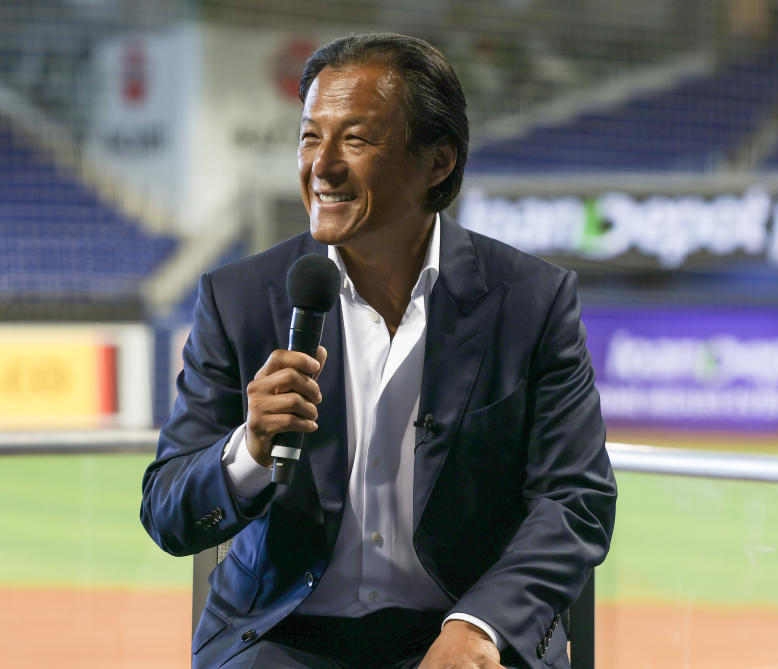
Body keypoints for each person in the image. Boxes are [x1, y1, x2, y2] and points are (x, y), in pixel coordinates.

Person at [141, 33, 616, 669]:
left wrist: (479, 625)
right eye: (311, 137)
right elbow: (168, 512)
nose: (322, 166)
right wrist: (246, 452)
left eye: (356, 140)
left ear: (438, 162)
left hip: (460, 629)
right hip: (280, 636)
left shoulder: (533, 300)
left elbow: (575, 500)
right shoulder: (238, 299)